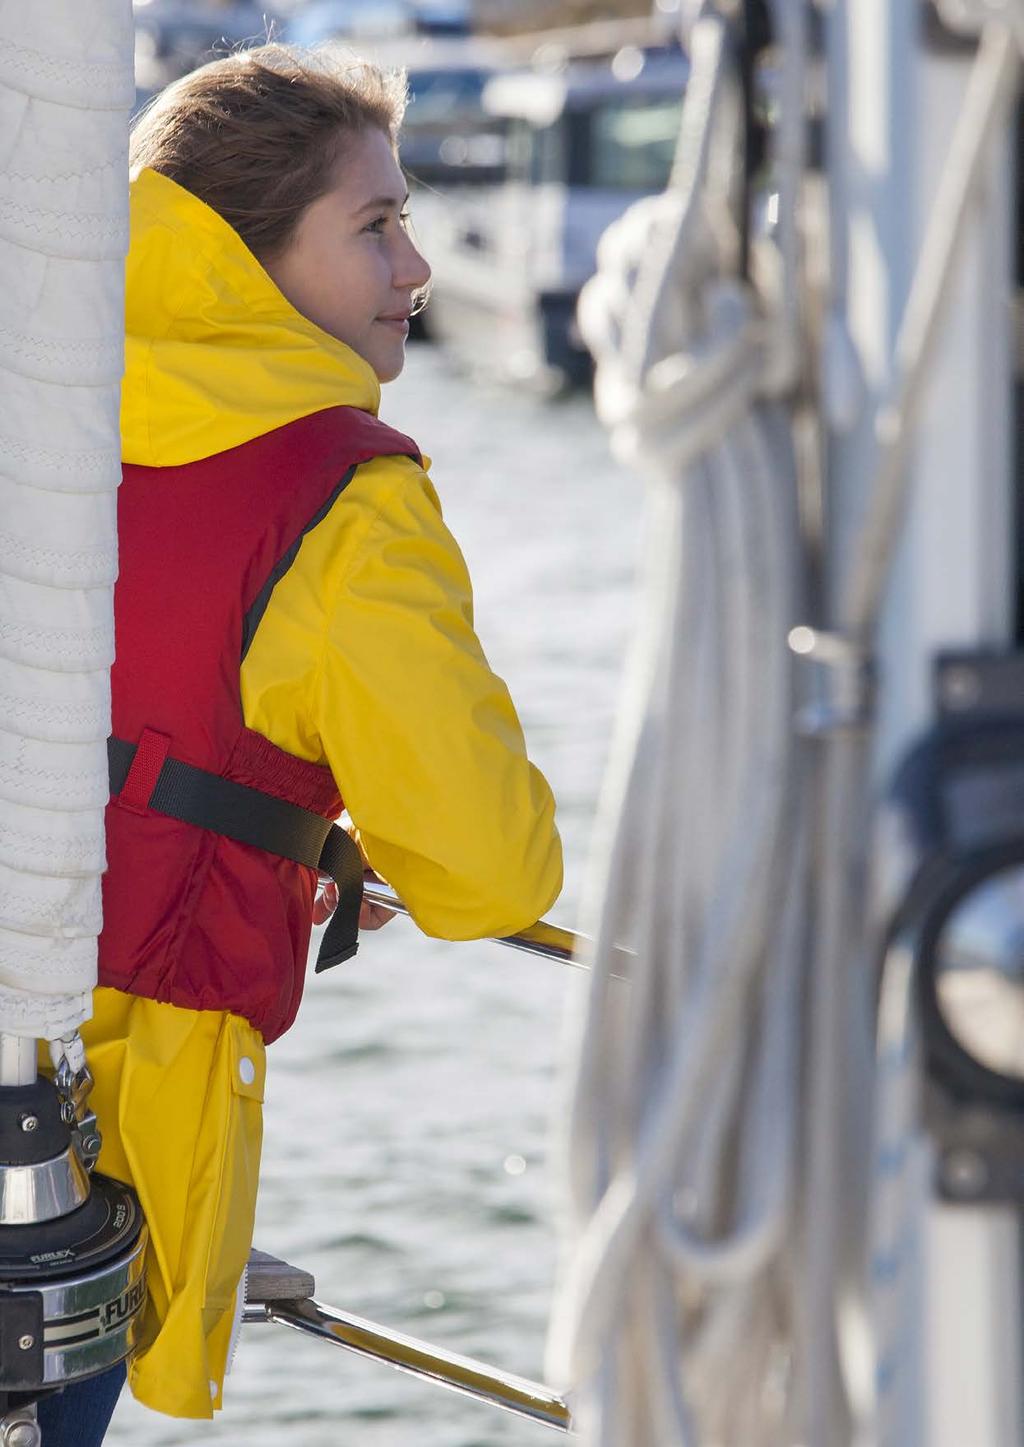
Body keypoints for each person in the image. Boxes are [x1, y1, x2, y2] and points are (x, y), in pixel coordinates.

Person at [37, 44, 562, 1446]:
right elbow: (488, 874)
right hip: (92, 1140)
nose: (419, 268)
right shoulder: (343, 502)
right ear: (246, 260)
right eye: (374, 226)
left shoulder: (46, 413)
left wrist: (282, 827)